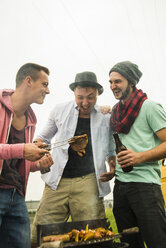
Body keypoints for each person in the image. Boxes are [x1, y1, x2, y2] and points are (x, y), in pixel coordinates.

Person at [31, 71, 116, 247]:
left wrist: (112, 167)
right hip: (57, 180)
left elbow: (110, 149)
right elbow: (43, 138)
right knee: (40, 234)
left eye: (90, 97)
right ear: (74, 94)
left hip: (89, 180)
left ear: (98, 94)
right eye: (80, 97)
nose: (85, 103)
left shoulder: (105, 116)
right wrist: (42, 152)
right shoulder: (59, 110)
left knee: (93, 235)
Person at [109, 61, 166, 248]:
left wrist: (139, 157)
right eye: (110, 82)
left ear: (131, 82)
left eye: (118, 81)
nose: (113, 86)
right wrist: (112, 167)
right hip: (120, 186)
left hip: (146, 186)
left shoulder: (150, 107)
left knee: (157, 241)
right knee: (129, 243)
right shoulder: (115, 112)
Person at [0, 63, 54, 248]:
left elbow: (17, 162)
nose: (48, 91)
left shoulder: (31, 120)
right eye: (44, 84)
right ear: (28, 81)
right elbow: (19, 151)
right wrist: (23, 149)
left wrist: (38, 163)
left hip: (16, 194)